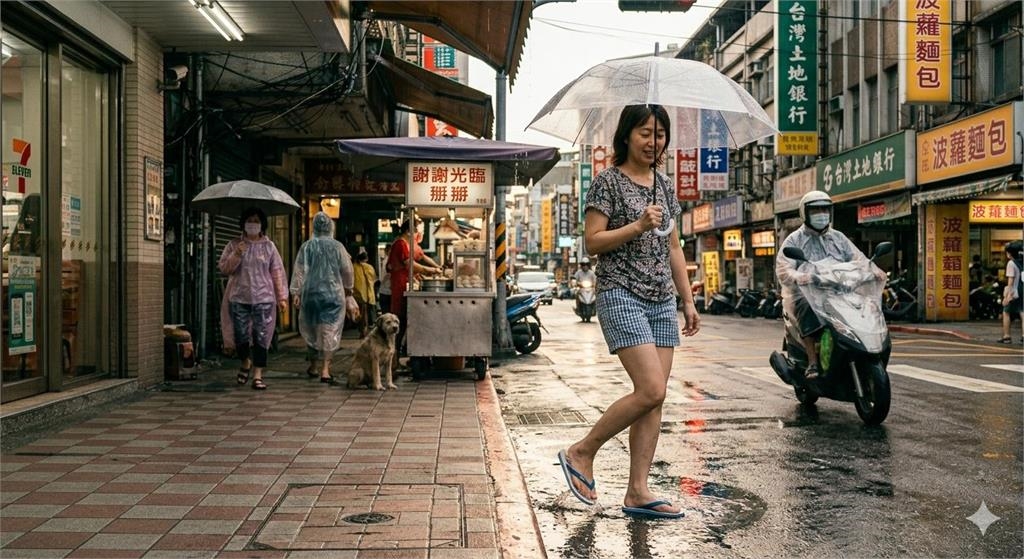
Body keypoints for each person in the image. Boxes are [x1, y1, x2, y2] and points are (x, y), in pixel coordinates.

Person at [557, 104, 699, 520]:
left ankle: (637, 491)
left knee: (653, 402)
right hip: (621, 293)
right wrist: (637, 225)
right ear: (626, 136)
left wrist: (687, 299)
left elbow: (674, 248)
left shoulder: (665, 186)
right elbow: (593, 242)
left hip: (660, 300)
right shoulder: (607, 182)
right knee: (652, 388)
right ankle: (582, 452)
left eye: (660, 134)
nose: (654, 141)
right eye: (645, 132)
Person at [775, 190, 886, 380]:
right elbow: (784, 268)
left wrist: (873, 270)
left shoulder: (839, 238)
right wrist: (799, 276)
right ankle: (812, 362)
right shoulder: (795, 239)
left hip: (841, 291)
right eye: (816, 210)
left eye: (825, 210)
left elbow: (858, 258)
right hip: (809, 293)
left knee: (866, 307)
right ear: (805, 213)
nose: (821, 214)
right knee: (807, 307)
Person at [218, 207, 289, 390]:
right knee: (240, 336)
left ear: (262, 225)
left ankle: (258, 375)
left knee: (262, 336)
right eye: (250, 220)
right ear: (243, 224)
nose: (253, 224)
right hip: (239, 298)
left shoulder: (269, 246)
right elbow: (225, 268)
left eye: (256, 220)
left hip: (264, 298)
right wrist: (238, 254)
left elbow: (277, 272)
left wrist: (282, 297)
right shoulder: (234, 245)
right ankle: (245, 361)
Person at [289, 212, 360, 382]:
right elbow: (347, 270)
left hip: (311, 294)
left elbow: (299, 271)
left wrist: (296, 292)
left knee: (312, 330)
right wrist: (349, 288)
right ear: (331, 227)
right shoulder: (338, 247)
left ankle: (313, 366)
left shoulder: (307, 247)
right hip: (333, 295)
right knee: (330, 331)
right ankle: (325, 369)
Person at [387, 218, 443, 368]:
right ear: (408, 231)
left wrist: (438, 267)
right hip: (399, 286)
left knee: (405, 322)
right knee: (399, 323)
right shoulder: (400, 244)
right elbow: (409, 264)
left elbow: (423, 257)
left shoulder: (410, 244)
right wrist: (430, 270)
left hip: (407, 284)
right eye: (418, 230)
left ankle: (401, 358)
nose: (419, 234)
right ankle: (393, 360)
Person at [999, 241, 1023, 344]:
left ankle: (1006, 336)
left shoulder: (1011, 263)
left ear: (1009, 253)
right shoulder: (1022, 262)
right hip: (1023, 289)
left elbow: (1011, 281)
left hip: (1015, 290)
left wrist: (1007, 296)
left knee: (1006, 312)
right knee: (1022, 311)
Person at [352, 249, 378, 338]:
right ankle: (364, 331)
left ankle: (361, 330)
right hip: (366, 294)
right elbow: (373, 279)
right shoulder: (369, 267)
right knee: (365, 314)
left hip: (355, 294)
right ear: (366, 259)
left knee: (357, 313)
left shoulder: (353, 267)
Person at [378, 244, 392, 314]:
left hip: (384, 292)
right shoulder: (388, 262)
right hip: (387, 293)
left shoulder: (386, 261)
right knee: (388, 315)